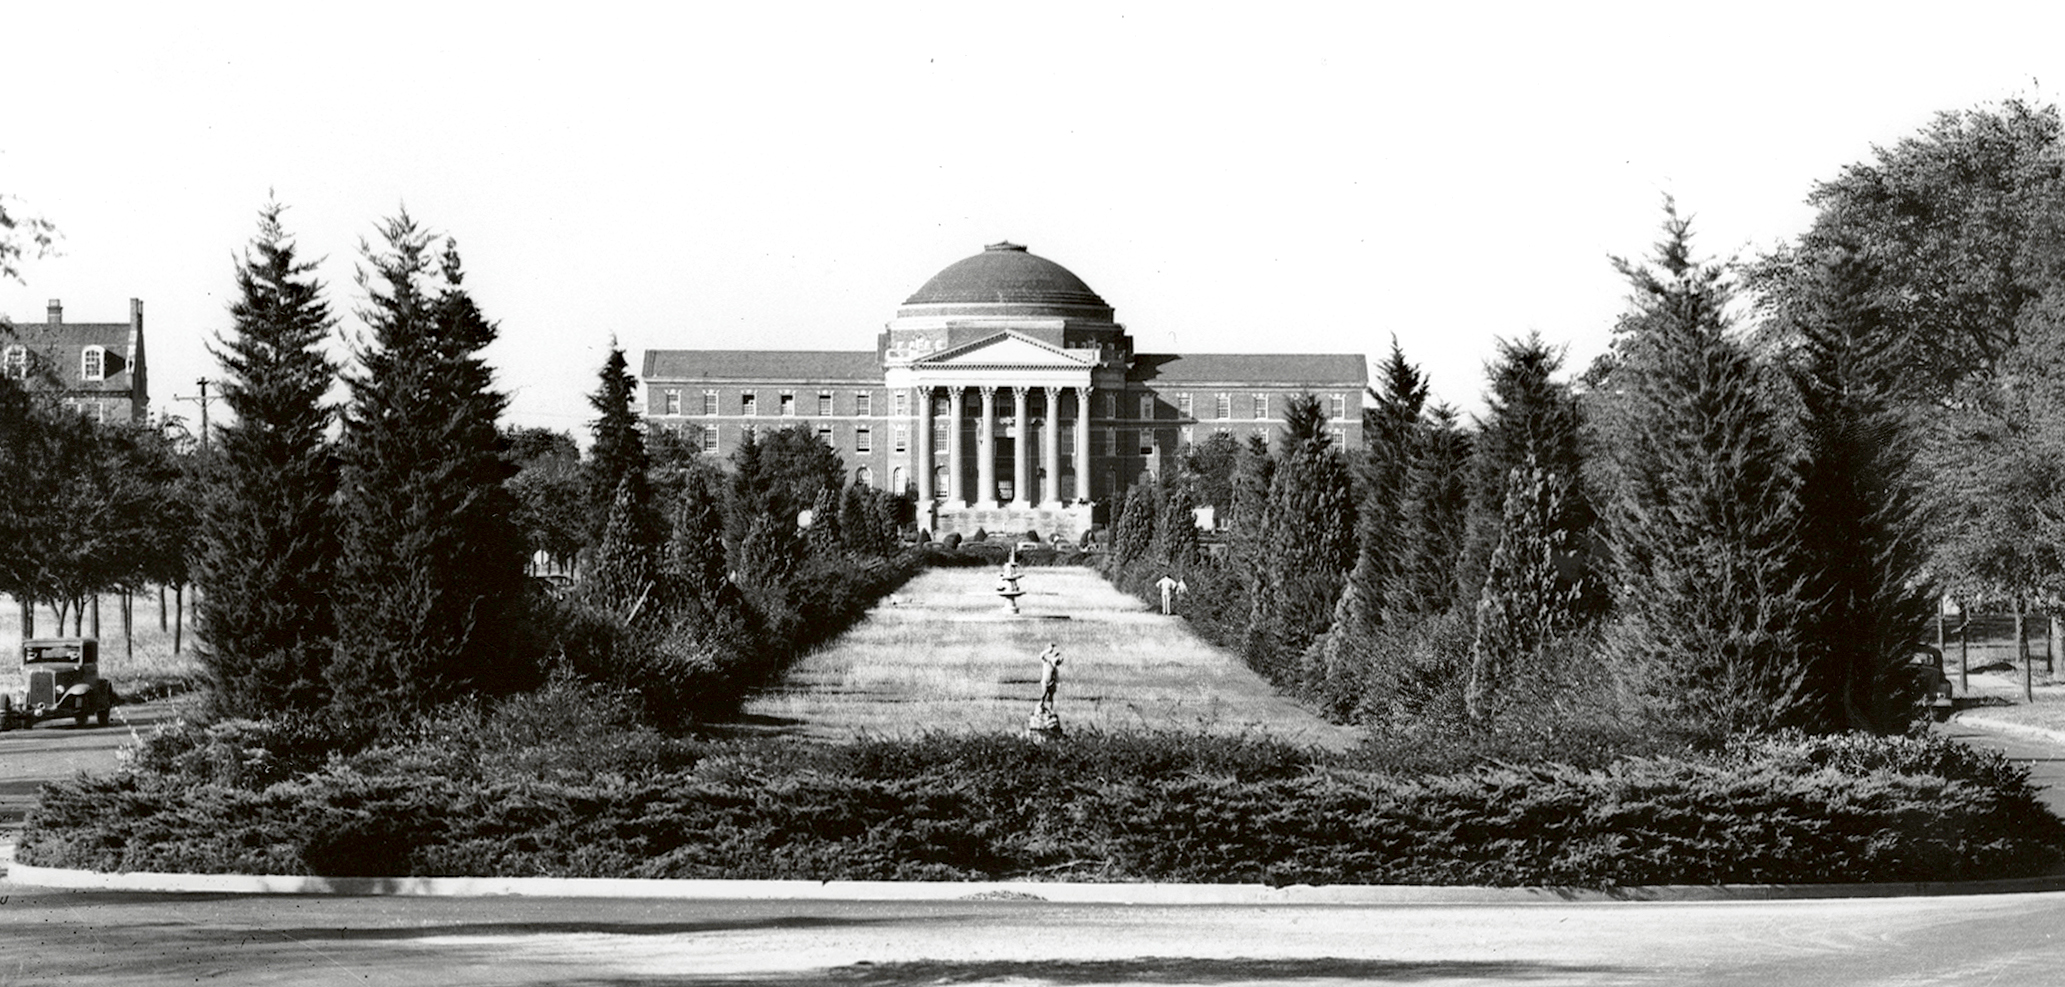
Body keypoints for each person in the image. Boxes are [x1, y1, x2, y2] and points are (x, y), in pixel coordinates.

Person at [1038, 642, 1063, 709]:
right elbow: (1041, 656)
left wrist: (1058, 683)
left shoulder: (1055, 669)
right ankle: (1041, 705)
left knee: (1051, 696)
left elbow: (1057, 677)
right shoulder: (1047, 663)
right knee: (1044, 694)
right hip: (1045, 683)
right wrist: (1049, 650)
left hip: (1052, 683)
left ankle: (1050, 708)